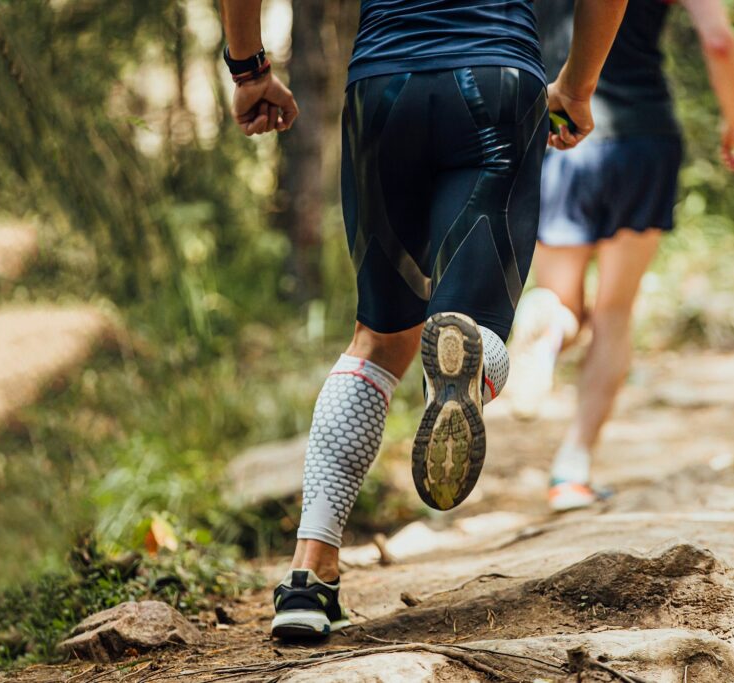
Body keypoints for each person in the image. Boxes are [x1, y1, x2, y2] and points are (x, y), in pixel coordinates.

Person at [218, 0, 628, 639]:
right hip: (497, 82)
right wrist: (576, 85)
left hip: (383, 87)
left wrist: (248, 69)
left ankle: (309, 576)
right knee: (475, 322)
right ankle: (468, 363)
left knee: (377, 342)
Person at [512, 0, 734, 512]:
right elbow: (718, 39)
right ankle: (572, 470)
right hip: (642, 136)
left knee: (564, 304)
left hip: (557, 130)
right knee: (613, 313)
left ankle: (548, 326)